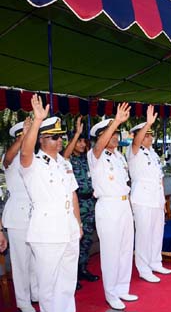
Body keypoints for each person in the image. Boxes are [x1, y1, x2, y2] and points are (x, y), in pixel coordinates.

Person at [19, 95, 81, 312]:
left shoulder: (63, 163)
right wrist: (37, 121)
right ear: (42, 140)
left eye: (60, 137)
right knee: (48, 286)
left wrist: (78, 224)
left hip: (69, 229)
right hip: (46, 233)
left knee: (67, 281)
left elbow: (73, 193)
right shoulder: (32, 163)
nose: (60, 141)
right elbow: (25, 152)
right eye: (54, 138)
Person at [89, 103, 138, 310]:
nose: (116, 137)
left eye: (117, 133)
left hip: (124, 204)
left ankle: (121, 288)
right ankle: (111, 293)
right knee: (111, 251)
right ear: (101, 137)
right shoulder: (95, 156)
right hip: (108, 207)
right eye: (112, 133)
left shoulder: (118, 157)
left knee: (126, 249)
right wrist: (116, 120)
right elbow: (98, 147)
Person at [127, 106, 171, 283]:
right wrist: (147, 123)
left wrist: (162, 199)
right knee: (144, 235)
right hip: (142, 199)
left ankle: (155, 262)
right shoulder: (133, 151)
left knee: (156, 232)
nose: (149, 137)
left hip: (155, 198)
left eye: (150, 134)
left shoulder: (152, 153)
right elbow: (136, 142)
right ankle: (143, 268)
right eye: (146, 134)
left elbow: (159, 177)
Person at [3, 118, 39, 312]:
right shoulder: (11, 158)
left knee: (35, 258)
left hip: (36, 213)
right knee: (20, 261)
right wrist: (23, 136)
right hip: (18, 215)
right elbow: (6, 160)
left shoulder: (35, 158)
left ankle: (35, 292)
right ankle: (23, 301)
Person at [62, 116, 100, 291]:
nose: (83, 145)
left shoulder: (86, 159)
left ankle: (83, 269)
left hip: (90, 203)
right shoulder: (67, 160)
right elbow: (65, 155)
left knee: (86, 241)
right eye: (79, 142)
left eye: (84, 142)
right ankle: (72, 275)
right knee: (76, 241)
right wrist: (76, 133)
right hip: (77, 205)